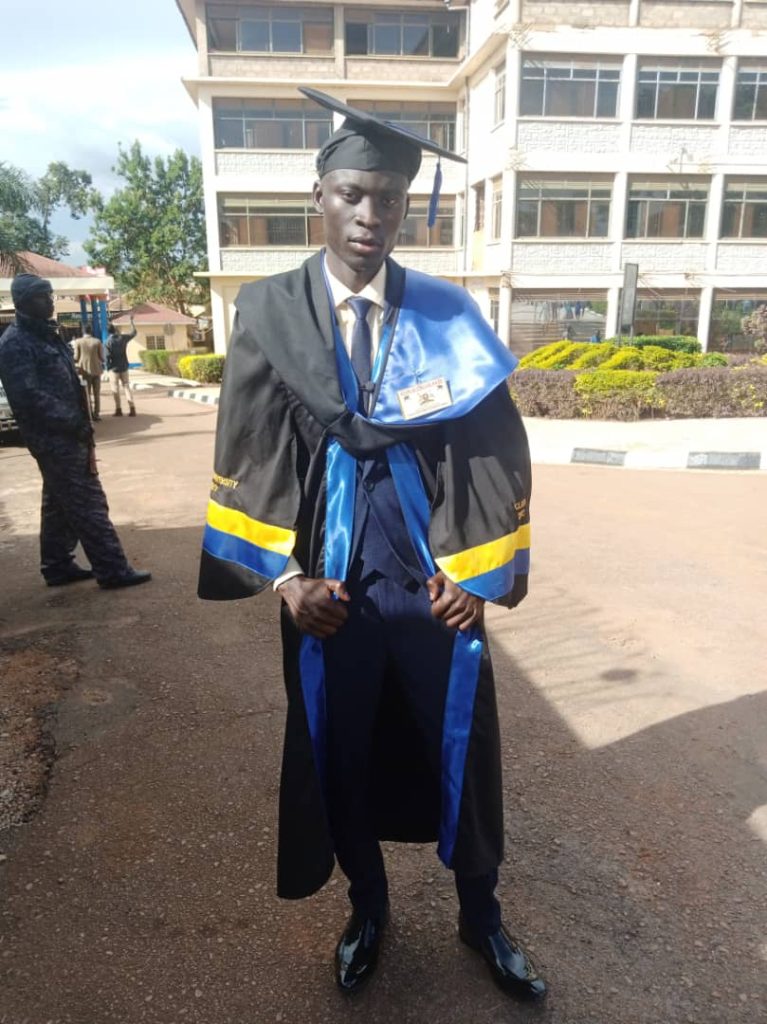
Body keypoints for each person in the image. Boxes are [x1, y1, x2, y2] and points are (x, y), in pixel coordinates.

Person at [198, 89, 545, 1001]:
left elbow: (489, 450)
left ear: (406, 206)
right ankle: (369, 909)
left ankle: (483, 917)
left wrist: (478, 575)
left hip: (434, 590)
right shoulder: (271, 312)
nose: (370, 215)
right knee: (338, 749)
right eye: (353, 193)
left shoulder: (446, 315)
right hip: (329, 598)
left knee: (462, 751)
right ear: (319, 194)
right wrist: (285, 581)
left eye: (388, 197)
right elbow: (250, 450)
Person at [0, 274, 152, 590]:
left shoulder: (46, 336)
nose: (51, 302)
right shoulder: (15, 343)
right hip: (54, 437)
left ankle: (56, 565)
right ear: (24, 302)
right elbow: (27, 397)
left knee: (57, 501)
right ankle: (112, 569)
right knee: (88, 502)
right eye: (44, 297)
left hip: (70, 432)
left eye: (51, 295)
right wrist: (72, 421)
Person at [105, 317, 137, 416]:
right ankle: (132, 408)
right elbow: (134, 333)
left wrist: (108, 368)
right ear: (115, 330)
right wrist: (131, 321)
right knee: (126, 387)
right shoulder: (122, 338)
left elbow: (107, 357)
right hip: (124, 366)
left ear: (108, 332)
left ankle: (118, 409)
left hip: (114, 369)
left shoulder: (108, 342)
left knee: (115, 389)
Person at [72, 324, 104, 421]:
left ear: (83, 331)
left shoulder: (78, 342)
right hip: (97, 371)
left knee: (86, 394)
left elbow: (76, 357)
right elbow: (102, 358)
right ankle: (97, 413)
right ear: (91, 331)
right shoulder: (97, 341)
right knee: (97, 393)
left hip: (84, 372)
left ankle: (89, 414)